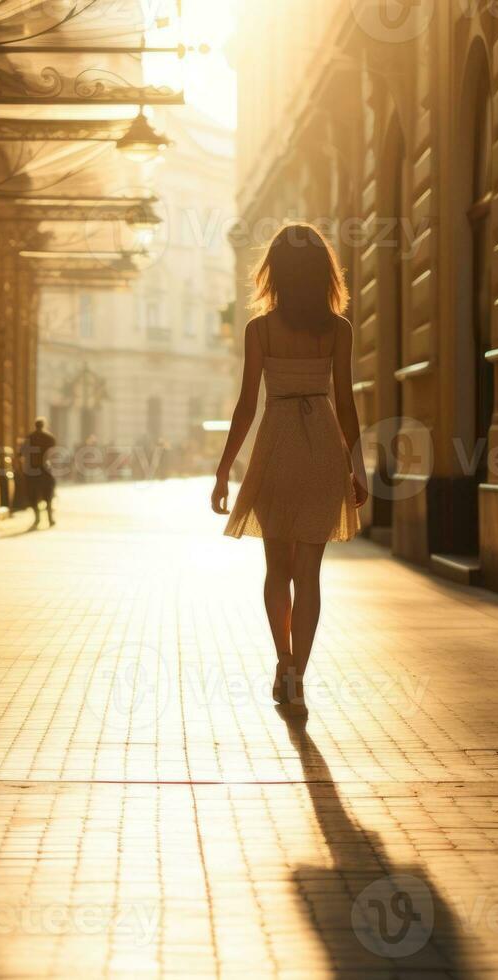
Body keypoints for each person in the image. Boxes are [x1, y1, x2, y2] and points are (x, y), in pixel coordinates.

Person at [211, 223, 369, 706]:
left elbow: (244, 405)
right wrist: (357, 466)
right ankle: (299, 675)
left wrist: (223, 471)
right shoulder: (338, 330)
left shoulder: (259, 329)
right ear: (322, 270)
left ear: (274, 272)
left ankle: (284, 660)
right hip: (321, 446)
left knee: (277, 568)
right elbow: (345, 403)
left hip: (276, 446)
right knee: (310, 573)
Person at [20, 418, 58, 528]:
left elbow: (21, 453)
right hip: (46, 470)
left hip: (32, 471)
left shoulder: (29, 437)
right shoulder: (50, 438)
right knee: (48, 495)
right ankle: (50, 518)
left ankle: (37, 519)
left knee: (33, 495)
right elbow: (54, 454)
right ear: (43, 425)